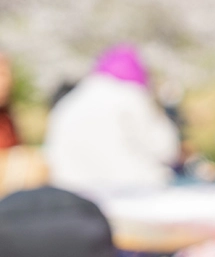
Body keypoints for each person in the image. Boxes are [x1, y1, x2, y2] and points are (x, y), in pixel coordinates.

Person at [44, 44, 180, 194]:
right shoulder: (131, 95)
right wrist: (158, 108)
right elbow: (166, 149)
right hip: (131, 191)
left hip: (73, 192)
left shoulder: (69, 101)